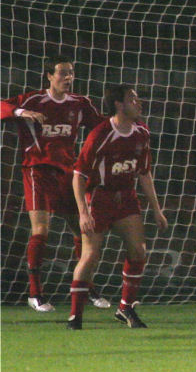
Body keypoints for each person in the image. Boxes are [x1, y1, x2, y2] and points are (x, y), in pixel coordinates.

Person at [0, 56, 111, 312]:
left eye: (71, 73)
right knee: (41, 231)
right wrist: (20, 112)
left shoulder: (80, 103)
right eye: (62, 73)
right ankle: (35, 294)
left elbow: (101, 126)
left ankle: (87, 287)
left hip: (68, 174)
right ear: (49, 76)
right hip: (37, 171)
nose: (68, 78)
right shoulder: (33, 100)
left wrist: (123, 121)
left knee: (84, 231)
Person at [67, 84, 168, 330]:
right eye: (133, 99)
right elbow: (78, 175)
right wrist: (83, 212)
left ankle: (126, 308)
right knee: (90, 255)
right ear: (118, 105)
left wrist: (157, 209)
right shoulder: (101, 133)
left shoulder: (141, 132)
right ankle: (75, 317)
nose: (139, 102)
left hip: (126, 197)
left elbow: (144, 173)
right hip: (99, 198)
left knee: (139, 250)